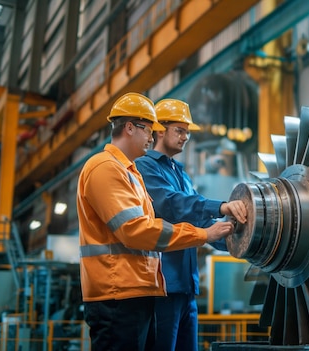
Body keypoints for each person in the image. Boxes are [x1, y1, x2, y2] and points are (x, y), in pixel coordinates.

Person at [76, 92, 236, 351]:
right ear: (129, 127)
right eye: (149, 129)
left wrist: (238, 239)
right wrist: (210, 225)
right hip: (118, 291)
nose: (152, 135)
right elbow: (136, 229)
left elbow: (196, 219)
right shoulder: (107, 168)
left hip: (143, 289)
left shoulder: (133, 173)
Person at [135, 98, 247, 351]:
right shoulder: (145, 167)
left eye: (187, 132)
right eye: (180, 130)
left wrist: (243, 241)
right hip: (162, 285)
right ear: (159, 130)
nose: (186, 137)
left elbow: (202, 221)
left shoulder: (181, 174)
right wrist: (220, 206)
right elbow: (170, 203)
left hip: (186, 288)